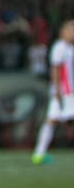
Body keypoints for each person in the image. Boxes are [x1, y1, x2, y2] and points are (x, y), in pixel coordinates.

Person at [32, 19, 74, 164]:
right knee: (51, 120)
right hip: (65, 92)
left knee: (51, 120)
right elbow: (56, 69)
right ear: (63, 32)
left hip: (69, 91)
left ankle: (39, 153)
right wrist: (57, 90)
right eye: (71, 30)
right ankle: (39, 154)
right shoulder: (59, 47)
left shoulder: (69, 48)